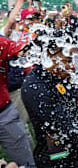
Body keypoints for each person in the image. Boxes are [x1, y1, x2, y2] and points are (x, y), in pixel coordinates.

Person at [21, 43, 78, 167]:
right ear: (48, 55)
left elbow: (73, 110)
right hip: (59, 160)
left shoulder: (60, 74)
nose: (73, 66)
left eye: (75, 60)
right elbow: (67, 131)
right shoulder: (35, 88)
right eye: (68, 60)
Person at [0, 36, 36, 167]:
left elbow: (20, 49)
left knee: (28, 163)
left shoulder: (1, 43)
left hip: (4, 113)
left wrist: (30, 48)